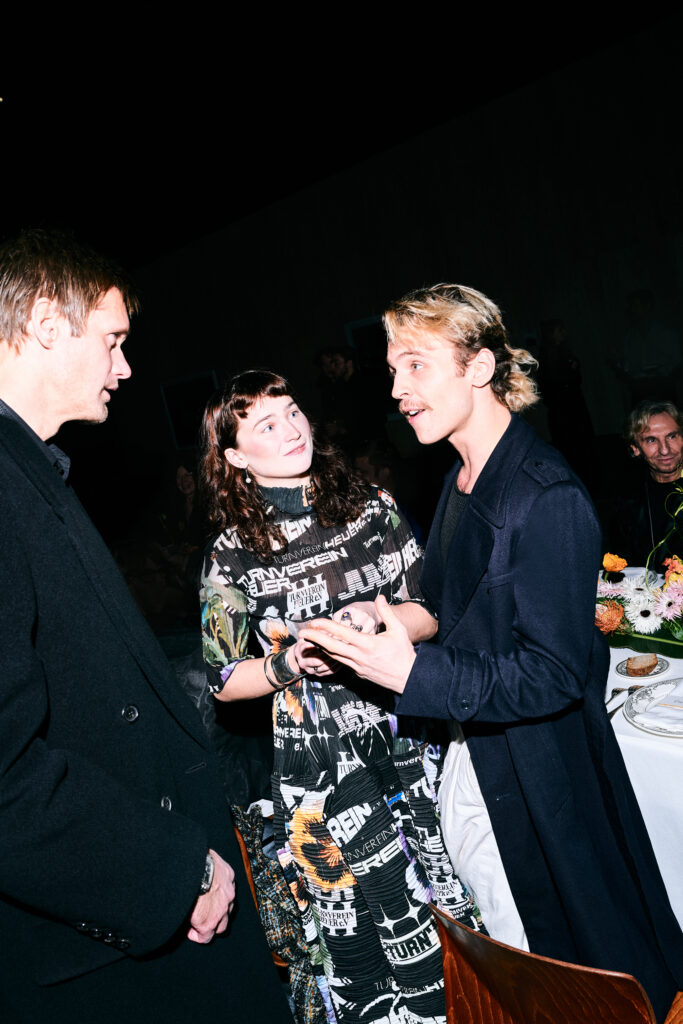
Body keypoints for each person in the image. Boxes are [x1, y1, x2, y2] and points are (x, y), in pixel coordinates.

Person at [300, 284, 683, 1024]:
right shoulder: (462, 476)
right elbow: (449, 604)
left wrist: (414, 673)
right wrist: (384, 622)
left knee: (569, 967)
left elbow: (555, 674)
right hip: (480, 749)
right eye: (393, 370)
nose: (397, 390)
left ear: (478, 367)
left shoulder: (544, 494)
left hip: (541, 768)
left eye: (416, 365)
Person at [0, 230, 290, 1023]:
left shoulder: (30, 468)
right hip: (101, 930)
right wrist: (169, 872)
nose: (125, 367)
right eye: (112, 340)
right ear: (46, 327)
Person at [198, 370, 484, 1024]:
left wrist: (378, 621)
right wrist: (289, 663)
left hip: (410, 737)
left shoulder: (370, 505)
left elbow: (430, 609)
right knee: (370, 951)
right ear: (236, 457)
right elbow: (223, 679)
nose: (291, 429)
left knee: (461, 911)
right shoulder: (231, 553)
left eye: (292, 411)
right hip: (323, 770)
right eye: (266, 425)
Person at [607, 400, 683, 568]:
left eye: (672, 436)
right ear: (636, 448)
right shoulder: (627, 503)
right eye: (651, 440)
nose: (665, 450)